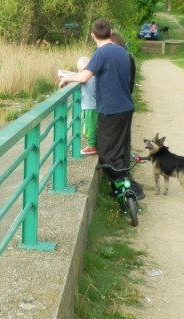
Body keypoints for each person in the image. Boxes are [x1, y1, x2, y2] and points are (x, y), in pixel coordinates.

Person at [59, 19, 144, 200]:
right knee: (122, 149)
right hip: (126, 107)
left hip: (110, 110)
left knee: (105, 154)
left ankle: (130, 188)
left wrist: (67, 78)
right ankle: (122, 190)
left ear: (92, 35)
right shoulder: (122, 52)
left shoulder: (101, 53)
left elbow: (84, 77)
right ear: (110, 31)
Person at [76, 56, 97, 155]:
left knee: (90, 126)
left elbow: (81, 79)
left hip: (91, 106)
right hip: (88, 106)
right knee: (87, 126)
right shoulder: (93, 76)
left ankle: (92, 146)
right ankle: (91, 142)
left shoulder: (88, 78)